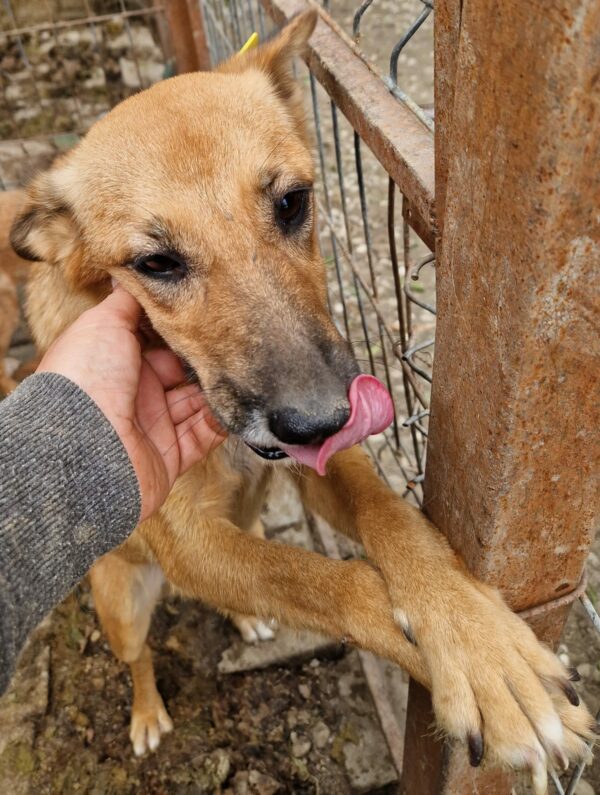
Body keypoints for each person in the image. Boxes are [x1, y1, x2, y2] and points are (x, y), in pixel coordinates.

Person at [0, 286, 226, 694]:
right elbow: (188, 559)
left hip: (172, 430)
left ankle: (244, 611)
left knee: (243, 520)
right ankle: (143, 682)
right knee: (126, 638)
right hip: (126, 549)